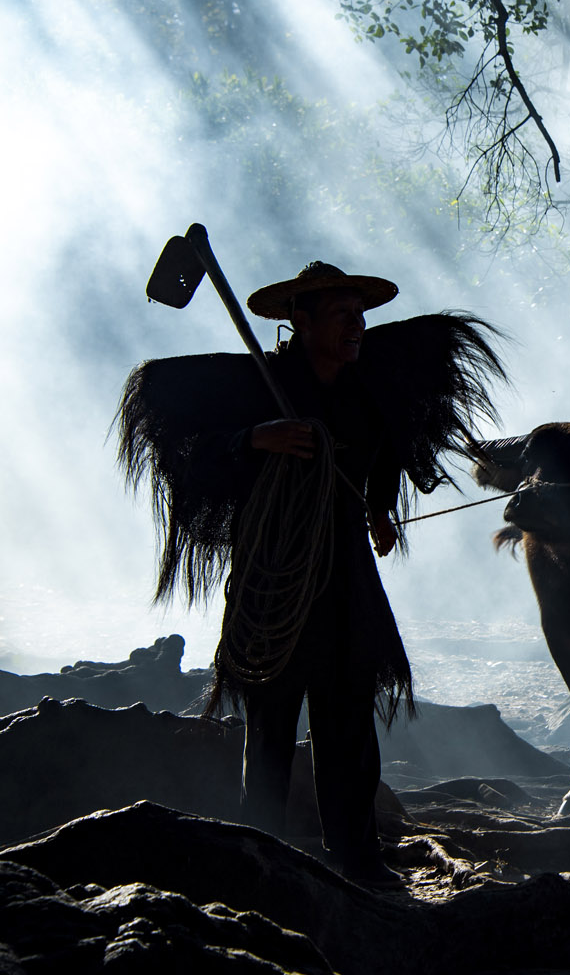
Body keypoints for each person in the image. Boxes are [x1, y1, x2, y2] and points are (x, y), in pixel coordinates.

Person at [118, 261, 506, 885]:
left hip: (347, 573)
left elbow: (382, 455)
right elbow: (192, 455)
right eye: (342, 316)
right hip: (274, 573)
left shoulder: (366, 391)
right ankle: (263, 858)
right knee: (270, 716)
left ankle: (357, 857)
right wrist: (253, 439)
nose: (358, 328)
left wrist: (379, 507)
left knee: (348, 710)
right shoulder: (256, 388)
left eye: (361, 316)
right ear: (300, 321)